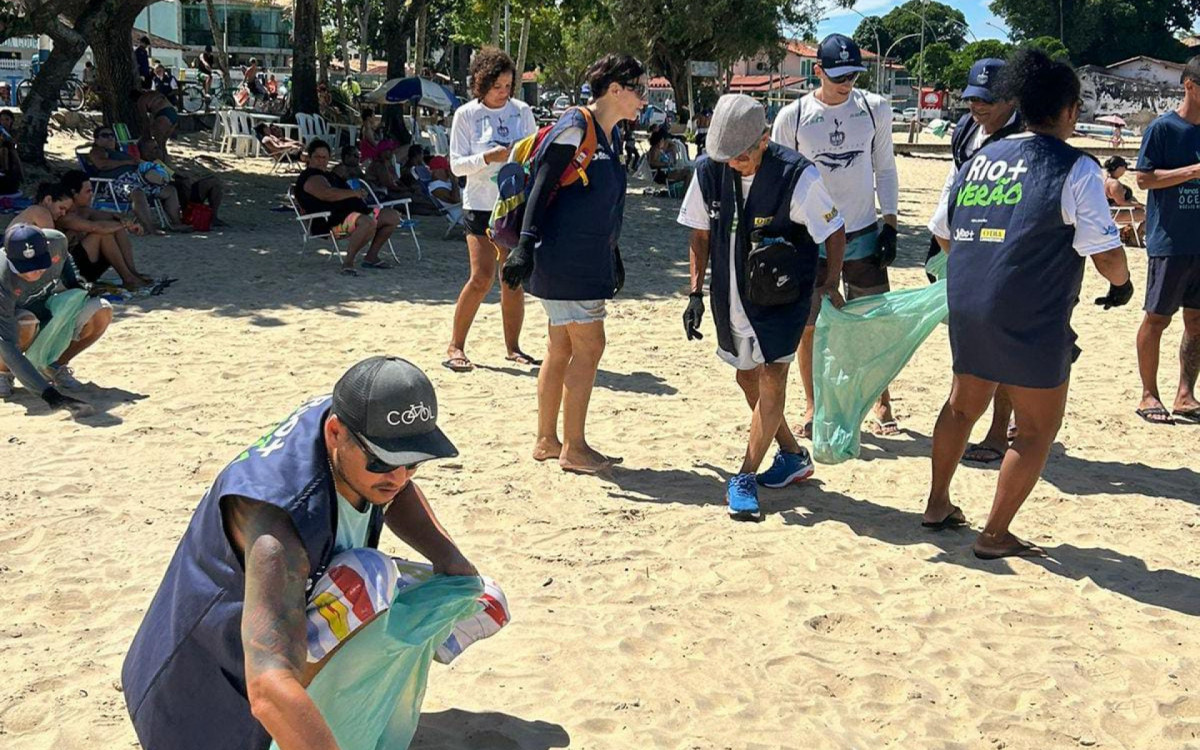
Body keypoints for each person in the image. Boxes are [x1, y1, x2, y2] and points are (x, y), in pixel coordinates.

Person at [122, 356, 498, 749]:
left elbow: (393, 486)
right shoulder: (277, 531)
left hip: (256, 645)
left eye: (413, 462)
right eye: (384, 460)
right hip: (192, 703)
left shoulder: (353, 418)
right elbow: (268, 687)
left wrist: (454, 564)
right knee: (363, 583)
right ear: (336, 433)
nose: (400, 477)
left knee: (483, 596)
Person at [925, 50, 1133, 559]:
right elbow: (1104, 250)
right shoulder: (1076, 167)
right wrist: (1122, 285)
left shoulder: (978, 158)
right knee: (1037, 428)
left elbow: (943, 233)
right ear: (1068, 111)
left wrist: (985, 261)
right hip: (1030, 310)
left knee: (960, 406)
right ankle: (994, 535)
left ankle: (936, 503)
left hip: (968, 300)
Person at [677, 94, 847, 521]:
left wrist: (827, 283)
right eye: (727, 156)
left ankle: (745, 476)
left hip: (783, 298)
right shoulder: (708, 171)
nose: (735, 163)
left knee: (773, 377)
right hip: (730, 295)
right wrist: (694, 292)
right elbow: (699, 234)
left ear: (764, 140)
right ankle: (791, 454)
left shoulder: (798, 177)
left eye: (743, 155)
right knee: (746, 377)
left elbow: (834, 229)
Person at [501, 53, 646, 473]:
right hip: (567, 258)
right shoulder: (576, 125)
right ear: (615, 90)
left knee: (561, 346)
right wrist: (525, 245)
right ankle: (575, 448)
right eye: (638, 89)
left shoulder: (611, 134)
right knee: (590, 347)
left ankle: (548, 440)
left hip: (583, 256)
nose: (643, 98)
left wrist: (612, 251)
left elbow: (600, 202)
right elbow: (543, 182)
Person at [771, 33, 901, 438]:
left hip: (862, 230)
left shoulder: (874, 108)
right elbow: (780, 179)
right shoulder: (792, 117)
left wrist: (891, 223)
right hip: (811, 234)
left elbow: (885, 167)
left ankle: (882, 402)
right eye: (839, 75)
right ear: (818, 71)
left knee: (872, 320)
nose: (847, 83)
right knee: (809, 325)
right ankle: (813, 406)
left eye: (854, 74)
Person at [931, 57, 1025, 465]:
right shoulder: (967, 129)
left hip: (1010, 255)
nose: (978, 107)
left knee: (1004, 349)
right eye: (972, 99)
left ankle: (998, 429)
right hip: (966, 247)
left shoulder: (1027, 136)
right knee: (971, 348)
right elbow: (954, 185)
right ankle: (977, 423)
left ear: (1012, 99)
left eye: (988, 101)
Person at [446, 47, 539, 372]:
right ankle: (455, 345)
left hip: (512, 205)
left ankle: (513, 347)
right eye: (497, 86)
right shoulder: (466, 115)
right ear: (481, 83)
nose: (504, 92)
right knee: (482, 277)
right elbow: (456, 166)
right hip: (480, 204)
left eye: (508, 86)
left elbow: (534, 155)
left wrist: (517, 158)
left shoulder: (522, 111)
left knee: (511, 279)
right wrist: (487, 158)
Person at [1131, 55, 1200, 425]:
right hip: (1170, 239)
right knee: (1157, 318)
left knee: (1197, 322)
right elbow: (1143, 179)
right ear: (1189, 85)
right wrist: (1193, 171)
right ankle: (1148, 393)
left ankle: (1185, 393)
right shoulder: (1163, 129)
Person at [0, 223, 106, 418]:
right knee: (25, 322)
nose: (33, 273)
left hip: (42, 303)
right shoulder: (2, 278)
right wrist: (51, 396)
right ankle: (3, 374)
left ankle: (53, 366)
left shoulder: (57, 241)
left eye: (38, 264)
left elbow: (64, 258)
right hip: (11, 320)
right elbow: (7, 344)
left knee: (101, 310)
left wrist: (76, 284)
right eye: (24, 268)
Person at [294, 139, 402, 274]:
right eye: (317, 157)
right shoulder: (311, 177)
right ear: (309, 158)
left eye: (324, 157)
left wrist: (358, 194)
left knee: (392, 216)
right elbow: (327, 194)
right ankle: (348, 262)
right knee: (367, 222)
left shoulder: (329, 175)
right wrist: (353, 193)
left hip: (352, 215)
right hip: (331, 224)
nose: (321, 161)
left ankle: (371, 257)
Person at [58, 170, 152, 290]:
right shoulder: (65, 215)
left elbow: (108, 216)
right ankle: (128, 278)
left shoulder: (84, 210)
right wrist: (125, 225)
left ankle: (132, 273)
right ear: (74, 193)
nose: (92, 194)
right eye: (88, 191)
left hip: (88, 265)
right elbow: (97, 227)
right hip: (72, 271)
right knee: (102, 234)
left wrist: (123, 220)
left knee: (115, 227)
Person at [86, 126, 191, 233]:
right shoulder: (98, 150)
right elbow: (102, 165)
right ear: (96, 140)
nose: (110, 138)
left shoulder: (121, 152)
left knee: (170, 190)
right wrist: (128, 162)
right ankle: (150, 229)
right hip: (116, 183)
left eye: (112, 135)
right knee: (137, 192)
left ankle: (176, 223)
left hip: (137, 179)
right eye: (105, 135)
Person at [138, 136, 226, 227]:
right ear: (146, 153)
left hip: (185, 188)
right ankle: (188, 214)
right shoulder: (145, 166)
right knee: (184, 182)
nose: (158, 151)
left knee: (214, 181)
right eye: (155, 149)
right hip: (176, 192)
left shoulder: (158, 162)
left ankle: (213, 217)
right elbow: (160, 180)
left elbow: (174, 173)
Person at [1103, 155, 1146, 244]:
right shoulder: (1115, 184)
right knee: (1150, 215)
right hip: (1117, 213)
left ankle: (1132, 235)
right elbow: (1122, 203)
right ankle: (1137, 237)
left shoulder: (1106, 179)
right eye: (1124, 167)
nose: (1125, 170)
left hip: (1110, 211)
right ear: (1118, 168)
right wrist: (1139, 205)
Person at [132, 88, 178, 158]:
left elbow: (145, 120)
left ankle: (161, 162)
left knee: (159, 143)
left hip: (163, 115)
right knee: (163, 143)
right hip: (173, 113)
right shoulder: (153, 94)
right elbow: (151, 116)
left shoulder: (141, 101)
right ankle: (165, 159)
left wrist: (147, 134)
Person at [0, 109, 23, 195]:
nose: (4, 122)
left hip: (11, 153)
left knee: (12, 152)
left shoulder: (13, 132)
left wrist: (8, 138)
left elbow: (14, 143)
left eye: (7, 119)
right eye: (1, 120)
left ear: (11, 120)